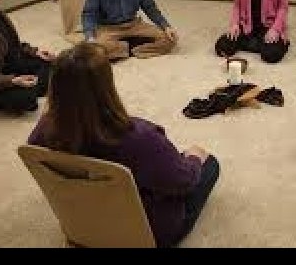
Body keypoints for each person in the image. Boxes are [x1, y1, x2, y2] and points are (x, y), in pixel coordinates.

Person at [28, 42, 220, 248]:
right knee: (209, 165)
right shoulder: (140, 138)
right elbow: (183, 183)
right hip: (146, 234)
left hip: (84, 227)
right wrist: (193, 158)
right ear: (106, 85)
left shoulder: (43, 131)